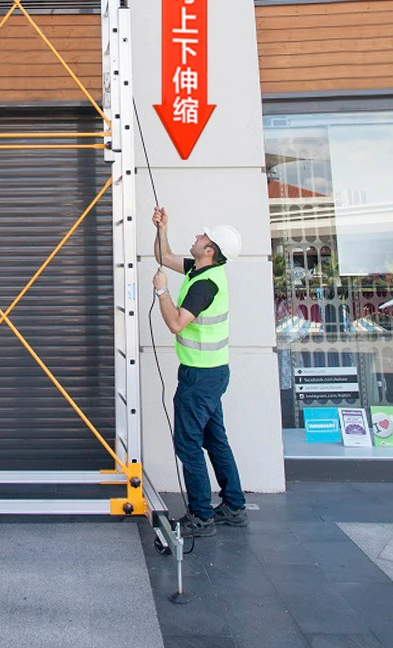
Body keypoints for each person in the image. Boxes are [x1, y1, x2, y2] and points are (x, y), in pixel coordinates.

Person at [152, 207, 247, 537]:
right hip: (212, 373)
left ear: (210, 250)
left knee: (188, 444)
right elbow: (163, 256)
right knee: (214, 439)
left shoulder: (204, 285)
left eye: (203, 236)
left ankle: (201, 516)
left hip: (200, 377)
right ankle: (234, 506)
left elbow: (177, 322)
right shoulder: (199, 271)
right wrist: (162, 227)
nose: (197, 236)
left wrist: (162, 291)